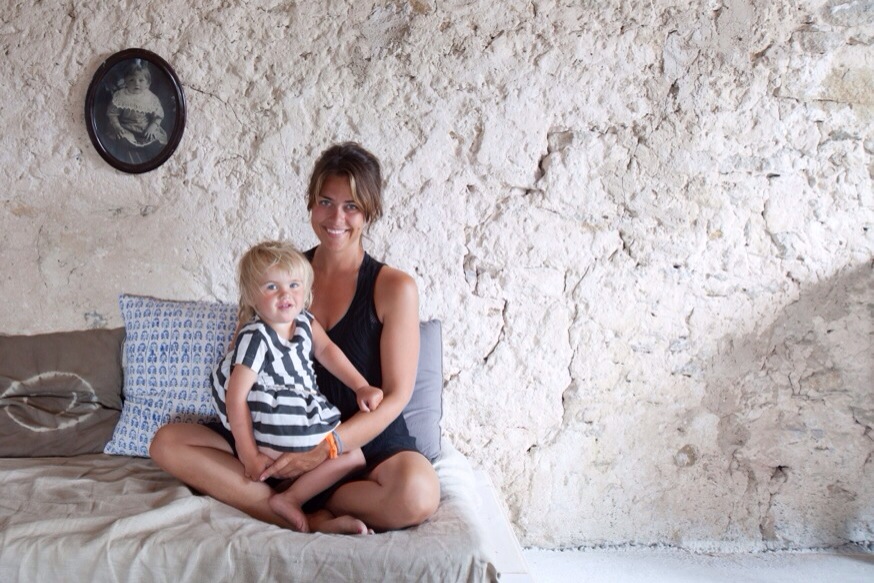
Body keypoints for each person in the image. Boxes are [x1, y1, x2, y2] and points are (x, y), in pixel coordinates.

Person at [150, 142, 440, 534]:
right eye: (325, 201)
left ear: (370, 211)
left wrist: (324, 450)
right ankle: (299, 514)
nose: (336, 217)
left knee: (417, 495)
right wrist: (254, 449)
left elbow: (395, 398)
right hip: (278, 430)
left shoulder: (394, 287)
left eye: (351, 205)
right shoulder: (279, 275)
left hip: (356, 444)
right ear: (310, 204)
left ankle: (315, 503)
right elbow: (244, 357)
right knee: (166, 443)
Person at [210, 240, 383, 532]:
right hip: (274, 422)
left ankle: (291, 500)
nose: (285, 295)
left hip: (296, 416)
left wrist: (361, 386)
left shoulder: (303, 320)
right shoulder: (256, 335)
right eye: (271, 287)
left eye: (293, 285)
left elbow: (328, 352)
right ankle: (292, 498)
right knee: (351, 457)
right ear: (252, 296)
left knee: (353, 455)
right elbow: (235, 397)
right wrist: (248, 453)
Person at [106, 60, 168, 163]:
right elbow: (112, 114)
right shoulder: (121, 96)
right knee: (123, 137)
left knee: (155, 137)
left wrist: (152, 127)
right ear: (125, 81)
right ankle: (132, 149)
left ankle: (148, 152)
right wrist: (117, 127)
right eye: (131, 80)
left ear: (148, 83)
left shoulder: (150, 97)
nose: (136, 83)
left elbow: (158, 116)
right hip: (126, 127)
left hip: (144, 128)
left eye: (141, 80)